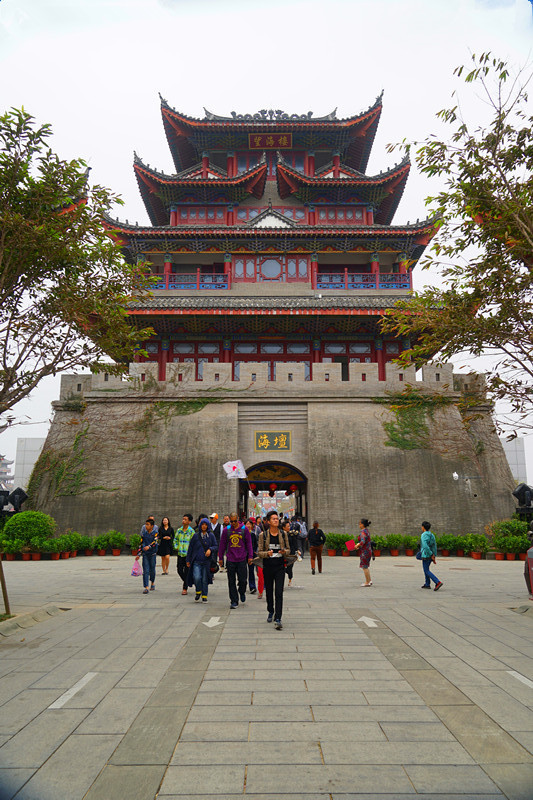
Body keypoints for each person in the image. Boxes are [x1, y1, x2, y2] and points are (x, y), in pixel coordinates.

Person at [258, 510, 290, 629]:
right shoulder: (263, 535)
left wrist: (284, 552)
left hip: (280, 567)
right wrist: (268, 553)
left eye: (277, 519)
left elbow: (288, 549)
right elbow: (260, 552)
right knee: (269, 592)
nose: (276, 520)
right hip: (268, 567)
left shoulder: (283, 534)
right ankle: (270, 610)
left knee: (279, 592)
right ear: (268, 521)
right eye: (273, 519)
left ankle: (278, 618)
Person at [218, 512, 253, 609]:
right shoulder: (227, 530)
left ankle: (241, 591)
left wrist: (250, 556)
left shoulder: (244, 529)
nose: (233, 523)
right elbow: (222, 545)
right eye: (231, 521)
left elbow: (249, 544)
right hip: (231, 559)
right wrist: (220, 558)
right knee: (231, 581)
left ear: (238, 519)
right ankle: (234, 600)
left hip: (242, 559)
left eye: (235, 521)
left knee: (243, 580)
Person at [186, 517, 217, 602]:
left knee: (204, 579)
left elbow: (215, 546)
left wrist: (210, 549)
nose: (204, 526)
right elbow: (190, 548)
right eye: (202, 524)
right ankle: (198, 591)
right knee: (196, 577)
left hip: (206, 561)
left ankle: (204, 595)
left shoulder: (210, 535)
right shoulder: (196, 535)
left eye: (205, 525)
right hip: (196, 561)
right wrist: (188, 560)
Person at [174, 514, 195, 596]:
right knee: (179, 570)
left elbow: (193, 544)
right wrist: (176, 547)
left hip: (188, 555)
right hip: (180, 554)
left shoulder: (191, 532)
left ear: (189, 521)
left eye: (185, 519)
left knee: (186, 571)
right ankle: (188, 581)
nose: (183, 521)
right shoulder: (179, 530)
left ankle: (185, 588)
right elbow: (175, 540)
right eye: (183, 519)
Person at [420, 521, 442, 591]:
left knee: (426, 570)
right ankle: (427, 584)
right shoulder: (432, 535)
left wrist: (430, 554)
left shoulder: (424, 535)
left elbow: (425, 546)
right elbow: (434, 546)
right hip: (431, 554)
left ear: (423, 527)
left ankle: (437, 582)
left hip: (426, 555)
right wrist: (434, 555)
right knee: (426, 569)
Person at [137, 518, 158, 594]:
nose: (146, 526)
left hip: (152, 554)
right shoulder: (144, 534)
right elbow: (141, 544)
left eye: (148, 524)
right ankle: (146, 587)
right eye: (146, 524)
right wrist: (139, 554)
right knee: (145, 570)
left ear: (152, 526)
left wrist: (149, 546)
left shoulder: (155, 533)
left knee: (152, 570)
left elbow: (155, 541)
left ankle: (152, 582)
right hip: (145, 554)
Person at [353, 518, 373, 587]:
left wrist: (357, 545)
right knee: (366, 566)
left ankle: (367, 582)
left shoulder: (363, 532)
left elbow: (362, 541)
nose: (359, 525)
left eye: (360, 523)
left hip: (365, 551)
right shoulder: (366, 531)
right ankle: (369, 580)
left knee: (364, 567)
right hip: (368, 550)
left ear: (363, 524)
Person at [284, 519, 301, 587]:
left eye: (289, 526)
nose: (289, 527)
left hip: (291, 553)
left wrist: (297, 550)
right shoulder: (281, 534)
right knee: (283, 567)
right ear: (283, 527)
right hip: (284, 553)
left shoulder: (291, 535)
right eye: (287, 526)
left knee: (290, 567)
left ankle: (290, 579)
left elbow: (295, 543)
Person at [245, 518, 258, 593]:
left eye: (250, 524)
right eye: (247, 524)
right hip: (243, 556)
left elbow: (255, 545)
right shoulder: (242, 534)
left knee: (251, 571)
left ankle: (252, 586)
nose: (248, 525)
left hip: (251, 555)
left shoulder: (253, 534)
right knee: (243, 571)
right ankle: (242, 585)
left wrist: (254, 552)